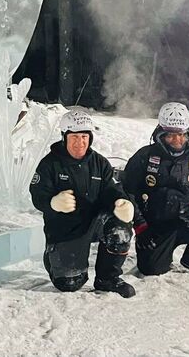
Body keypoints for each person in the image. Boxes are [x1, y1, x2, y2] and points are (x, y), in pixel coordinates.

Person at [30, 109, 138, 297]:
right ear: (64, 137)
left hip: (96, 222)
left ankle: (108, 278)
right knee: (69, 284)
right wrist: (53, 203)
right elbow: (37, 195)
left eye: (84, 137)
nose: (79, 143)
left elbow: (111, 190)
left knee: (120, 229)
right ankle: (53, 256)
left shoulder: (100, 163)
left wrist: (122, 201)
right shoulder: (49, 164)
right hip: (66, 229)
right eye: (74, 137)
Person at [122, 101, 189, 279]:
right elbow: (127, 192)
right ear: (160, 134)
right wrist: (140, 225)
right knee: (151, 269)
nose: (177, 140)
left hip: (185, 220)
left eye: (181, 135)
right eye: (170, 135)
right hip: (153, 226)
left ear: (187, 134)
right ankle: (159, 255)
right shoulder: (144, 156)